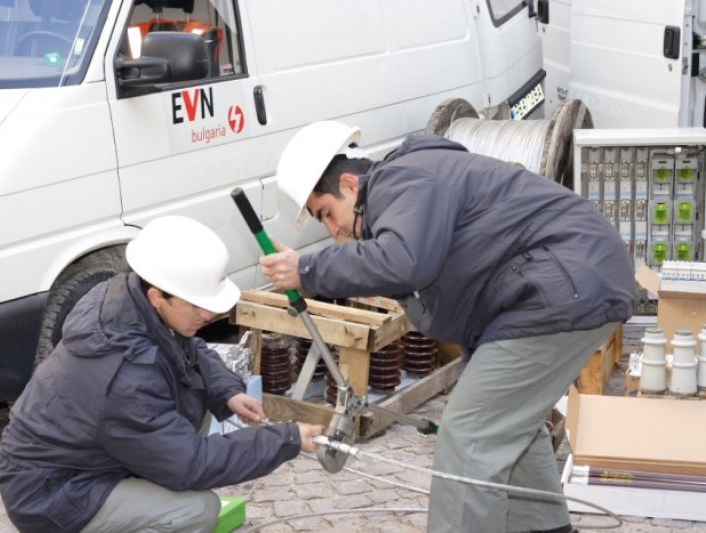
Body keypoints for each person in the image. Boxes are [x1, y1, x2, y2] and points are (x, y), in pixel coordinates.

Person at [259, 121, 635, 533]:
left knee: (470, 435)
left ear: (350, 184)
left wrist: (308, 268)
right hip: (565, 284)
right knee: (509, 426)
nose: (333, 232)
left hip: (563, 287)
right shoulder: (416, 180)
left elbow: (404, 260)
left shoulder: (400, 179)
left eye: (327, 214)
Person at [0, 215, 324, 533]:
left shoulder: (127, 297)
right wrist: (287, 438)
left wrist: (227, 391)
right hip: (54, 494)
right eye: (195, 305)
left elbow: (187, 348)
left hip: (79, 461)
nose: (207, 314)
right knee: (197, 510)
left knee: (194, 402)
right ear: (157, 297)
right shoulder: (125, 378)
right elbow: (191, 465)